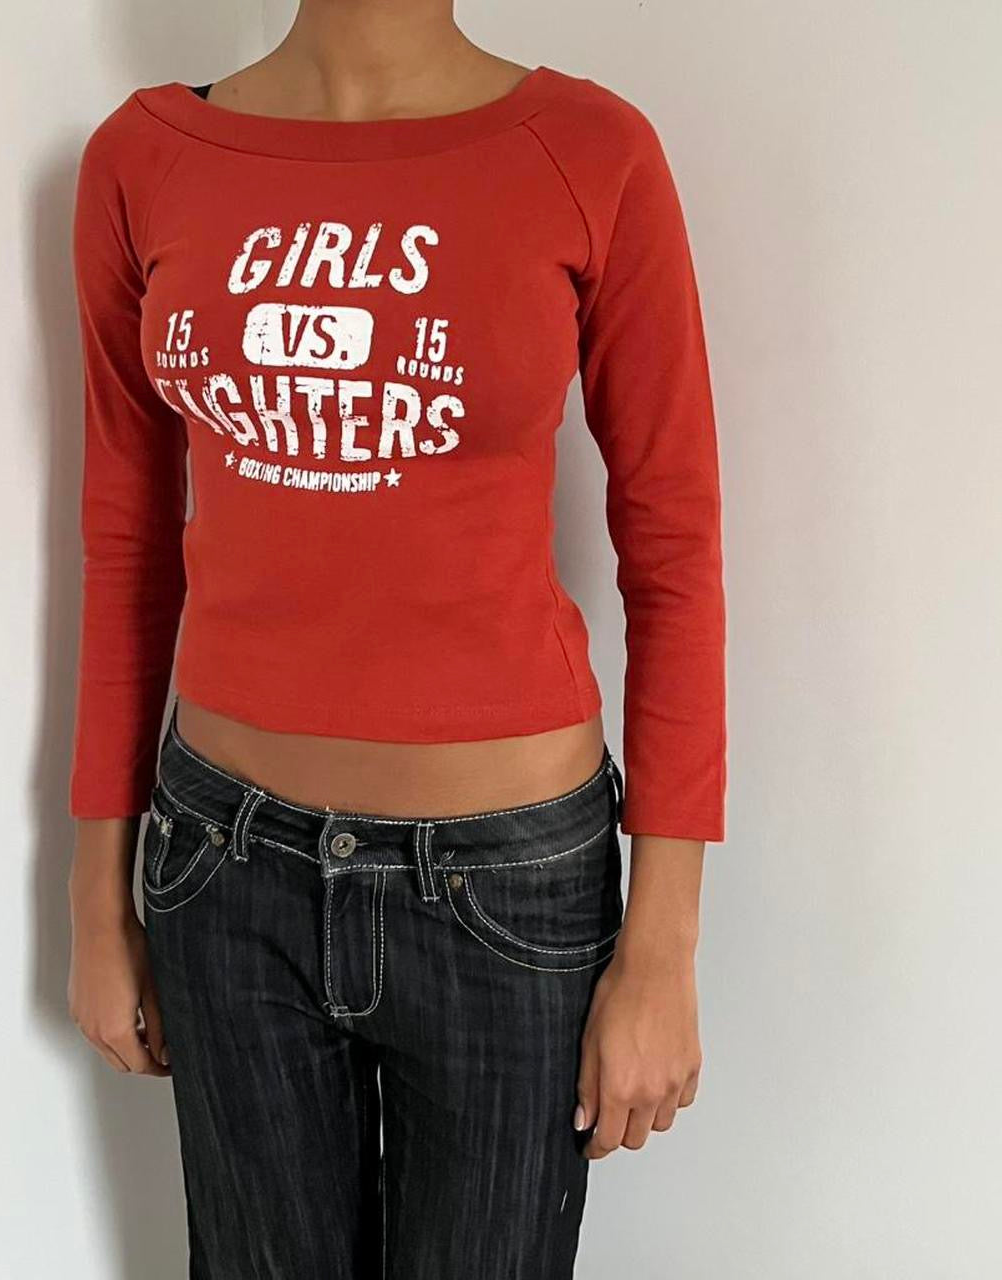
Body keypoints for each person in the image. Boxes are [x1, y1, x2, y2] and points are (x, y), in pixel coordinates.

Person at [66, 2, 724, 1274]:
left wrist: (663, 945)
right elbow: (125, 541)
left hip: (506, 890)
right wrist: (97, 897)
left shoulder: (588, 152)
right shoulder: (142, 158)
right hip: (220, 868)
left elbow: (675, 552)